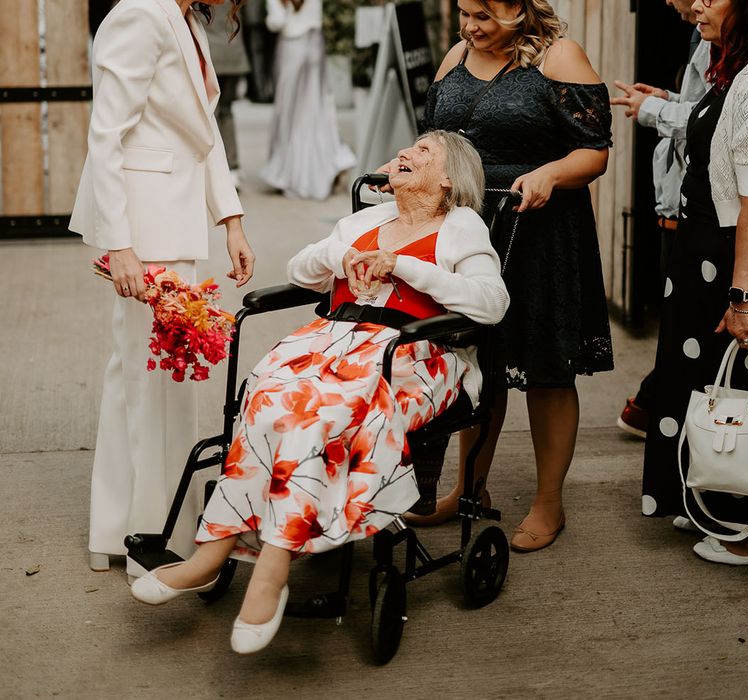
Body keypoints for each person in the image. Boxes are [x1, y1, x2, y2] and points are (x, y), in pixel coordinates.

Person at [129, 130, 509, 654]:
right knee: (264, 397)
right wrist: (343, 255)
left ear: (448, 179)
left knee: (317, 415)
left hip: (416, 352)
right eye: (406, 147)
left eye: (423, 152)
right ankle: (211, 553)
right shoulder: (364, 222)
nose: (405, 153)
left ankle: (272, 568)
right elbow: (298, 272)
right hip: (333, 340)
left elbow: (492, 304)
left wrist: (402, 265)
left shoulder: (460, 225)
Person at [392, 0, 612, 554]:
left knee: (546, 366)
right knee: (475, 356)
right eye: (465, 12)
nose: (470, 26)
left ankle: (548, 501)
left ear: (519, 7)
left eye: (484, 15)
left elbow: (595, 151)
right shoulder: (456, 56)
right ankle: (469, 488)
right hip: (468, 232)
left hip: (541, 232)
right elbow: (433, 144)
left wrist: (550, 174)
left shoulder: (559, 57)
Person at [69, 0, 255, 578]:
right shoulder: (139, 14)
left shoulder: (187, 20)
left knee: (151, 381)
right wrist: (119, 243)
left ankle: (125, 528)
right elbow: (107, 134)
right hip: (143, 230)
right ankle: (148, 537)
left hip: (173, 227)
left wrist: (232, 220)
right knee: (148, 382)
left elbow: (203, 137)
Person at [641, 0, 748, 564]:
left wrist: (743, 298)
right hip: (703, 257)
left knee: (741, 389)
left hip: (732, 261)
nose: (695, 3)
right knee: (701, 380)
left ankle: (747, 525)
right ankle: (704, 499)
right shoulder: (735, 66)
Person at [611, 0, 711, 440]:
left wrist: (657, 112)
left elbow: (716, 119)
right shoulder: (700, 36)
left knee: (689, 323)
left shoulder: (728, 42)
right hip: (676, 201)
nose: (673, 3)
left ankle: (658, 407)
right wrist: (667, 99)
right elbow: (702, 107)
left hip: (696, 205)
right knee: (681, 320)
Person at [259, 0, 356, 199]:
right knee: (317, 110)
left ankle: (290, 174)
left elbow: (276, 22)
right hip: (314, 46)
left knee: (289, 114)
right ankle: (331, 160)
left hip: (291, 47)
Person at [204, 4, 251, 189]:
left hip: (211, 53)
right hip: (233, 53)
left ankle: (215, 167)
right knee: (227, 111)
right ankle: (233, 167)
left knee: (210, 113)